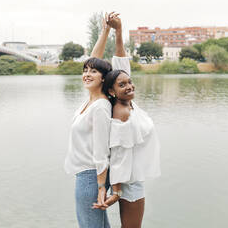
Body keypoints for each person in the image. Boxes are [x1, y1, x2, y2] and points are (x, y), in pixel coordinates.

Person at [93, 14, 161, 228]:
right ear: (112, 90)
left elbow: (121, 65)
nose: (129, 86)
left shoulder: (128, 103)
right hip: (129, 184)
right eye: (122, 85)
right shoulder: (121, 112)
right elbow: (120, 154)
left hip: (133, 179)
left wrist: (119, 31)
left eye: (130, 82)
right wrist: (118, 190)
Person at [64, 12, 123, 228]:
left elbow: (101, 152)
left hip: (91, 176)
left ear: (103, 78)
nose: (87, 74)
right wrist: (105, 31)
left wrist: (100, 187)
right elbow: (94, 59)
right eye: (85, 70)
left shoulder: (100, 106)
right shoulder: (89, 102)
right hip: (86, 175)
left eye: (93, 72)